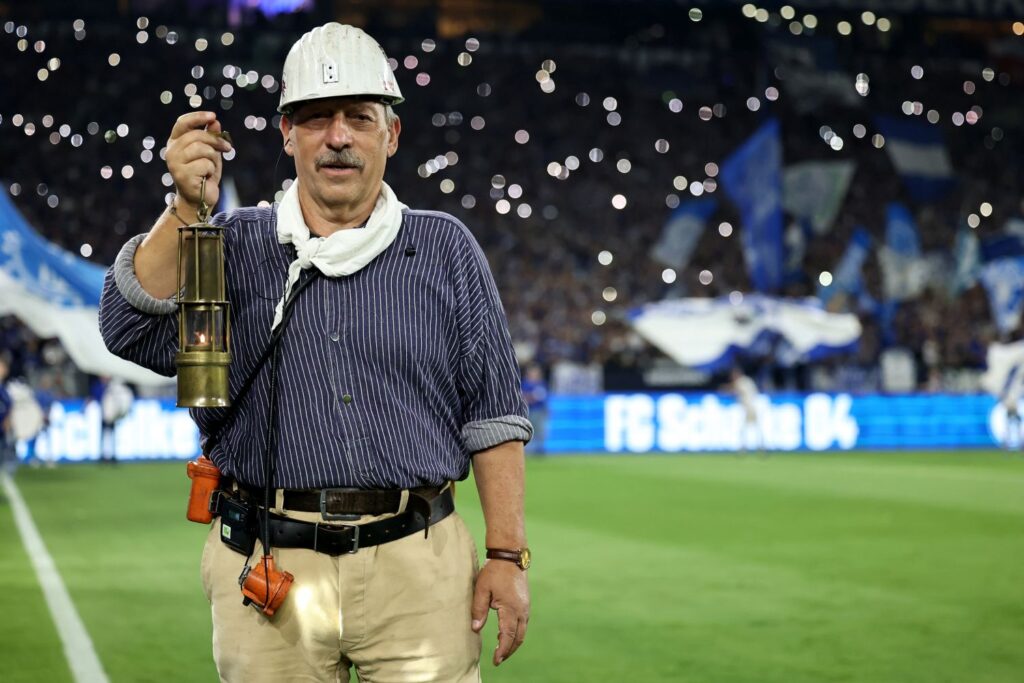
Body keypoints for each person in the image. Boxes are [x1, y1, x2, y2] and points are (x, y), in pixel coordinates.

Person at [98, 23, 532, 683]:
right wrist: (186, 207)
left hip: (419, 563)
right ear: (286, 134)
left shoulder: (444, 249)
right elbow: (127, 326)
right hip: (269, 560)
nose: (338, 136)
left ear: (391, 135)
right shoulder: (232, 244)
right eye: (316, 117)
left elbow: (495, 415)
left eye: (359, 117)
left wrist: (506, 554)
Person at [729, 367, 763, 452]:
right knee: (756, 428)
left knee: (744, 428)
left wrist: (726, 389)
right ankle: (761, 447)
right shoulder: (748, 380)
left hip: (748, 408)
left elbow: (737, 391)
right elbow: (755, 391)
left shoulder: (740, 382)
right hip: (753, 406)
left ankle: (743, 448)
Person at [521, 363, 549, 455]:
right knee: (527, 431)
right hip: (528, 411)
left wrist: (530, 397)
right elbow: (523, 397)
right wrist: (532, 397)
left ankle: (539, 449)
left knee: (540, 431)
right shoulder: (524, 383)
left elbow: (542, 397)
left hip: (539, 411)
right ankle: (527, 450)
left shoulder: (541, 383)